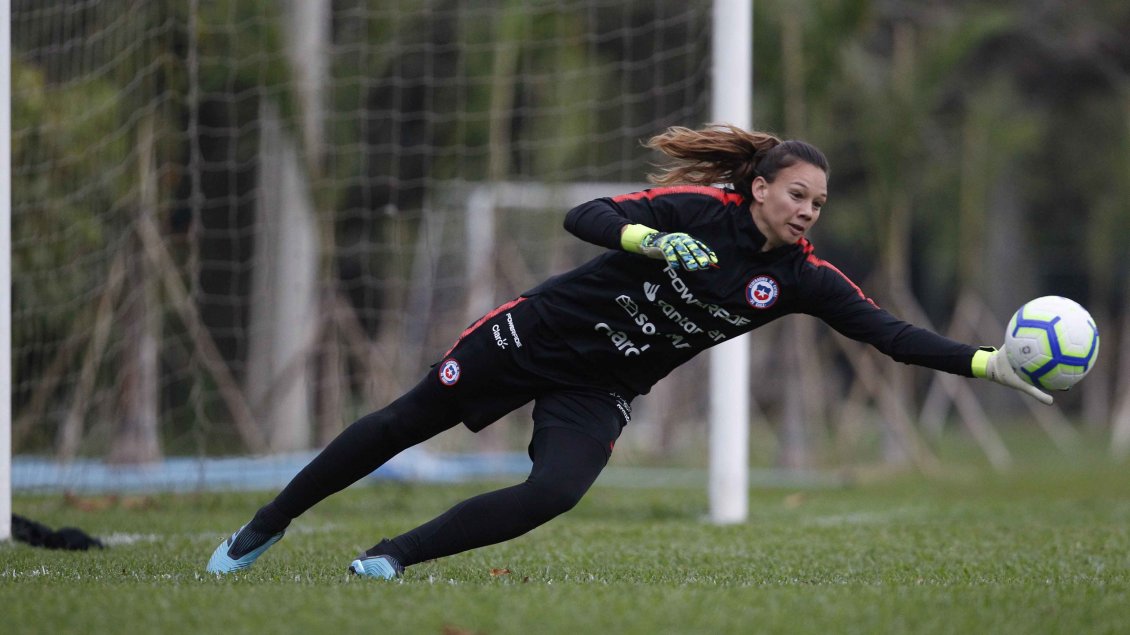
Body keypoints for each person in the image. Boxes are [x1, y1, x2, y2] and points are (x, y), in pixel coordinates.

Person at [206, 123, 1050, 579]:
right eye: (798, 195)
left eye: (820, 203)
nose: (808, 212)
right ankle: (262, 528)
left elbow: (891, 337)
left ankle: (388, 558)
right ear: (758, 188)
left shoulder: (801, 278)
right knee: (402, 420)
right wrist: (649, 239)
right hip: (538, 333)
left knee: (556, 491)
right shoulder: (697, 209)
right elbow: (588, 215)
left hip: (604, 382)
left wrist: (991, 362)